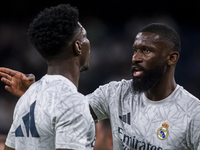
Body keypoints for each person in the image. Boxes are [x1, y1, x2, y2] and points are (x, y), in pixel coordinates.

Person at [1, 23, 200, 149]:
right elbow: (68, 111)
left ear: (171, 58)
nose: (135, 58)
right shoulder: (116, 93)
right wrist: (35, 93)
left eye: (146, 51)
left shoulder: (192, 113)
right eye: (135, 50)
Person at [2, 4, 95, 150]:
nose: (88, 43)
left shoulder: (28, 96)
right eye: (85, 37)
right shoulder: (72, 101)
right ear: (78, 47)